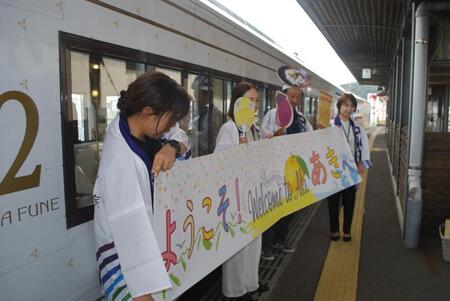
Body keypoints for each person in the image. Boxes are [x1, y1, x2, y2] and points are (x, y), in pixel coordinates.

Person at [93, 72, 191, 301]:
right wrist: (142, 294)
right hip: (127, 270)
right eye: (170, 119)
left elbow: (180, 136)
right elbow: (131, 236)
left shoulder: (137, 128)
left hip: (154, 246)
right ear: (147, 111)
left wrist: (172, 146)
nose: (170, 127)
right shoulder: (121, 163)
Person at [215, 82, 265, 301]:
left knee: (253, 243)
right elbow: (220, 162)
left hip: (252, 195)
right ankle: (235, 292)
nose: (254, 105)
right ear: (237, 103)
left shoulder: (253, 127)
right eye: (250, 100)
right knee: (237, 248)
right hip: (236, 198)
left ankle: (250, 284)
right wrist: (238, 151)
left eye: (256, 101)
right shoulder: (230, 128)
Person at [260, 66, 313, 261]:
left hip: (293, 172)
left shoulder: (300, 118)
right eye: (291, 97)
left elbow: (309, 137)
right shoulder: (273, 115)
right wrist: (274, 135)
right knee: (273, 210)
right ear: (282, 96)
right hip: (274, 172)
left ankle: (280, 240)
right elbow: (261, 138)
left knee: (289, 209)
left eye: (297, 97)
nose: (295, 101)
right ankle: (267, 246)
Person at [327, 93, 371, 242]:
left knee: (349, 202)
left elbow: (363, 145)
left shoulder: (357, 127)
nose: (348, 109)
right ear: (339, 106)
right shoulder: (330, 125)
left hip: (351, 168)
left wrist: (362, 163)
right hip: (334, 169)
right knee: (333, 202)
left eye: (352, 106)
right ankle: (334, 230)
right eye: (345, 105)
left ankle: (346, 230)